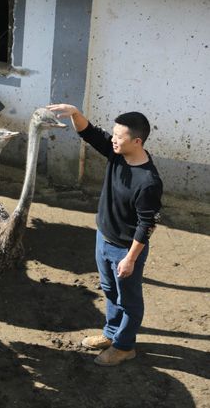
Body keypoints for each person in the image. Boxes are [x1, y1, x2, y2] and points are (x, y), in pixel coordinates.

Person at [47, 104, 163, 366]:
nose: (113, 139)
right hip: (104, 238)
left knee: (129, 300)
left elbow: (147, 224)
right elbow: (91, 134)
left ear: (137, 141)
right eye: (113, 134)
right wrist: (75, 114)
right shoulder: (117, 154)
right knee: (110, 291)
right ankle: (110, 334)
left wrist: (131, 259)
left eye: (118, 136)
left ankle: (124, 346)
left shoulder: (148, 182)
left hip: (125, 249)